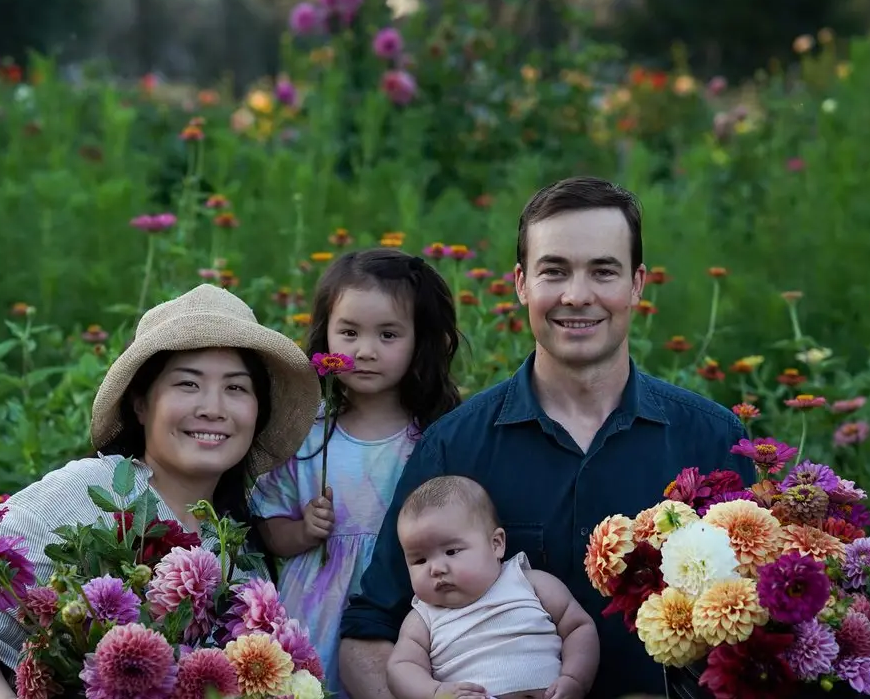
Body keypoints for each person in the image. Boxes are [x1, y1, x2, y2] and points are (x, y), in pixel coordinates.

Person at [338, 177, 757, 699]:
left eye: (603, 271)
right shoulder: (455, 448)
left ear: (637, 284)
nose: (576, 295)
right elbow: (368, 633)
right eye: (554, 271)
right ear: (521, 284)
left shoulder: (711, 440)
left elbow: (763, 628)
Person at [0, 283, 322, 698]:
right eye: (188, 384)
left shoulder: (239, 547)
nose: (213, 407)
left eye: (236, 388)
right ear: (141, 404)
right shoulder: (85, 491)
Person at [250, 248, 463, 698]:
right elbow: (267, 527)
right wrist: (304, 531)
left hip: (403, 606)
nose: (365, 351)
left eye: (388, 335)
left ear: (418, 340)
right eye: (348, 332)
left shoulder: (432, 437)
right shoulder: (305, 433)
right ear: (325, 334)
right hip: (313, 606)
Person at [387, 475, 599, 699]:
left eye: (451, 551)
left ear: (496, 544)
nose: (436, 569)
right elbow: (400, 667)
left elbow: (579, 628)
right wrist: (435, 692)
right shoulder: (423, 618)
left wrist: (575, 678)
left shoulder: (530, 583)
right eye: (420, 560)